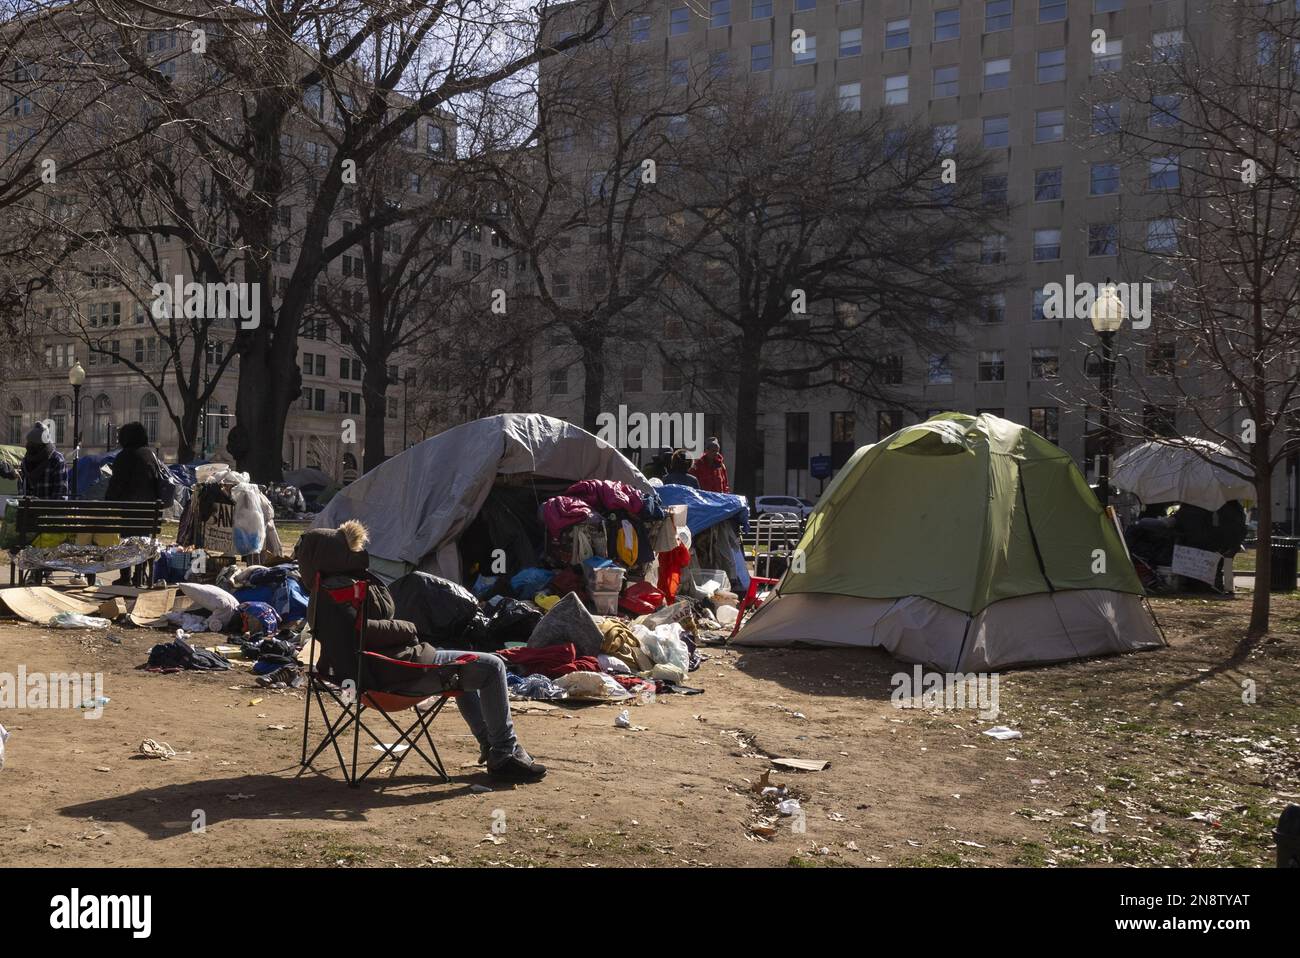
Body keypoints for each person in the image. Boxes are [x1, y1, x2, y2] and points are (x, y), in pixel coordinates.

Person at [295, 520, 547, 783]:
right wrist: (408, 628)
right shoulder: (343, 590)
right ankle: (505, 753)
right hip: (395, 675)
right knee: (492, 666)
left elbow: (352, 634)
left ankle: (492, 747)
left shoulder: (321, 592)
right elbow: (360, 631)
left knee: (462, 663)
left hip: (362, 676)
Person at [106, 421, 167, 586]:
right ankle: (139, 575)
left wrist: (108, 502)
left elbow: (116, 486)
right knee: (142, 538)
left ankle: (125, 576)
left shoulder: (125, 456)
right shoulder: (151, 455)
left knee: (125, 537)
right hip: (149, 517)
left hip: (127, 515)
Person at [17, 423, 69, 500]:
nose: (29, 447)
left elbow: (60, 495)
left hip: (42, 510)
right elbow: (60, 495)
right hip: (38, 510)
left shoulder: (56, 460)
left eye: (33, 444)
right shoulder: (57, 459)